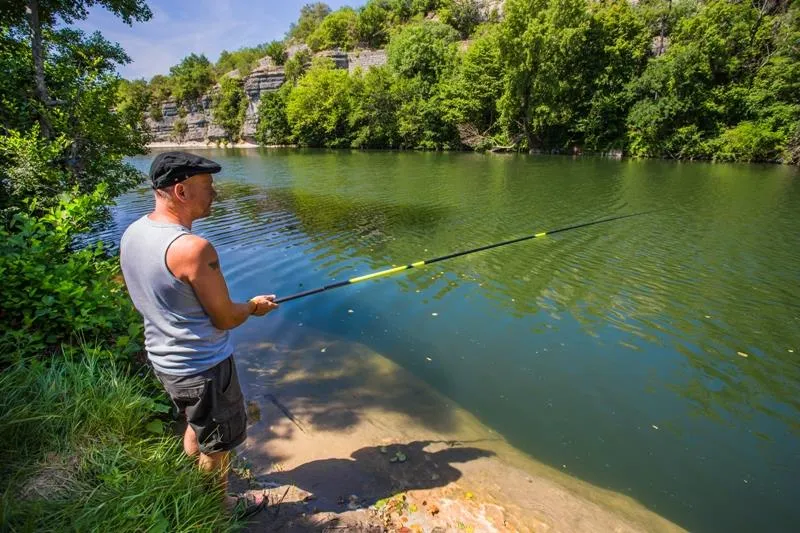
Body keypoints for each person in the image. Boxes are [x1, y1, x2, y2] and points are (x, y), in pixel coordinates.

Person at [120, 151, 278, 517]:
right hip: (202, 366)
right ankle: (215, 507)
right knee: (219, 442)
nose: (215, 193)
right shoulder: (193, 249)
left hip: (163, 360)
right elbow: (225, 318)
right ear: (181, 191)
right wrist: (253, 306)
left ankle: (191, 477)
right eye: (208, 186)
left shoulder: (135, 232)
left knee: (197, 421)